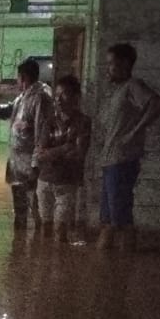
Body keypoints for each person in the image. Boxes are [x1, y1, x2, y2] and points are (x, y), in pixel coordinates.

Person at [98, 42, 160, 250]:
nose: (108, 68)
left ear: (125, 64)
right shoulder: (116, 91)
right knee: (108, 215)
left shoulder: (133, 86)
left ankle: (123, 264)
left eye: (112, 64)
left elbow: (157, 104)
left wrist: (135, 132)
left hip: (123, 158)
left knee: (121, 214)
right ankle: (109, 267)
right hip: (110, 158)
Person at [0, 57, 53, 229]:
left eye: (18, 78)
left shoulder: (40, 98)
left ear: (24, 78)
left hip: (30, 161)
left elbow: (42, 132)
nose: (17, 82)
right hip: (16, 161)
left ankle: (39, 241)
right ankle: (19, 243)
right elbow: (7, 111)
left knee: (36, 203)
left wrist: (36, 164)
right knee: (19, 203)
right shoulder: (22, 97)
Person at [36, 75, 92, 243]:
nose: (58, 100)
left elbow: (79, 152)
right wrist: (64, 148)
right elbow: (40, 153)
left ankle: (60, 264)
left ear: (76, 97)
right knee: (45, 227)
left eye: (64, 95)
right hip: (44, 179)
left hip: (67, 182)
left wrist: (51, 152)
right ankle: (45, 265)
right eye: (57, 95)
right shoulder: (49, 121)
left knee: (61, 230)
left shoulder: (83, 122)